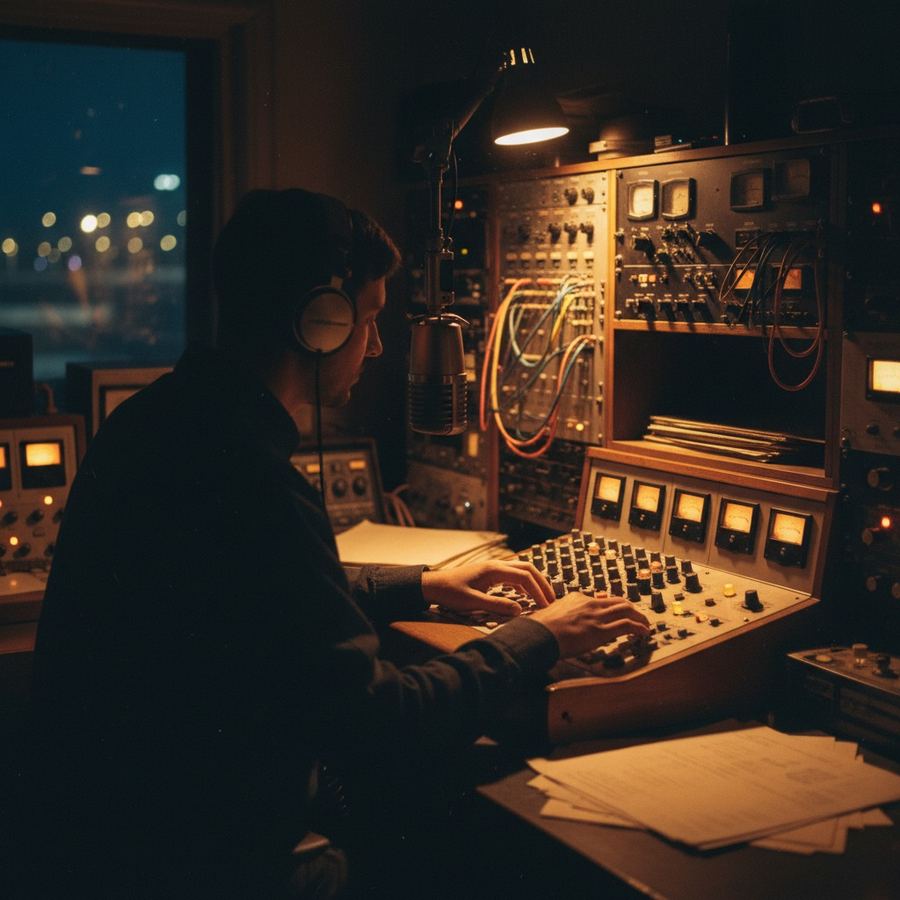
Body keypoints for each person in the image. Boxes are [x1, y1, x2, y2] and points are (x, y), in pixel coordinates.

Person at [25, 189, 650, 899]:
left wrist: (419, 585)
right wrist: (539, 635)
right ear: (320, 323)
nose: (375, 346)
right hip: (196, 868)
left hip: (103, 843)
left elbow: (242, 596)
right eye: (370, 318)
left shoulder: (153, 422)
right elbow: (382, 723)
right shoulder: (255, 482)